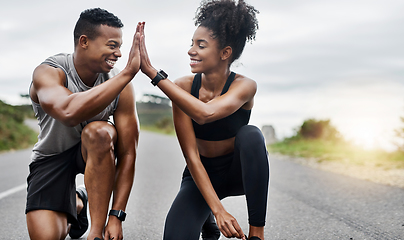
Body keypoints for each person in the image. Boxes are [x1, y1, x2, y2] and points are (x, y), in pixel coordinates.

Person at [138, 0, 270, 239]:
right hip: (201, 173)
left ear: (225, 53)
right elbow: (191, 156)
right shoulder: (181, 88)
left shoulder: (244, 86)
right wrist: (219, 211)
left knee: (251, 135)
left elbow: (205, 113)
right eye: (191, 43)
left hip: (237, 172)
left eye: (201, 45)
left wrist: (153, 74)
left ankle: (257, 234)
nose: (191, 50)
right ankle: (208, 216)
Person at [26, 8, 141, 240]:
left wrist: (116, 217)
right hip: (52, 157)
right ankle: (78, 202)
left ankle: (95, 233)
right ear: (84, 41)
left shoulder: (120, 85)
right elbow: (67, 111)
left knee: (100, 132)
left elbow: (128, 153)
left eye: (120, 46)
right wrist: (128, 72)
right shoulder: (49, 72)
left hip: (92, 151)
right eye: (112, 45)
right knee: (47, 236)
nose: (119, 53)